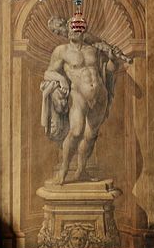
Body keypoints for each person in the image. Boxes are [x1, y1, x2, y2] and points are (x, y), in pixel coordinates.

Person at [39, 16, 130, 185]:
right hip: (78, 95)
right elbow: (48, 72)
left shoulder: (93, 50)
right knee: (76, 131)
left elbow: (110, 71)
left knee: (90, 134)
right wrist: (62, 79)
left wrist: (112, 59)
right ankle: (63, 171)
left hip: (100, 95)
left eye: (79, 28)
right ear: (68, 29)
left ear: (84, 30)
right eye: (73, 28)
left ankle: (81, 171)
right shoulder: (62, 51)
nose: (75, 31)